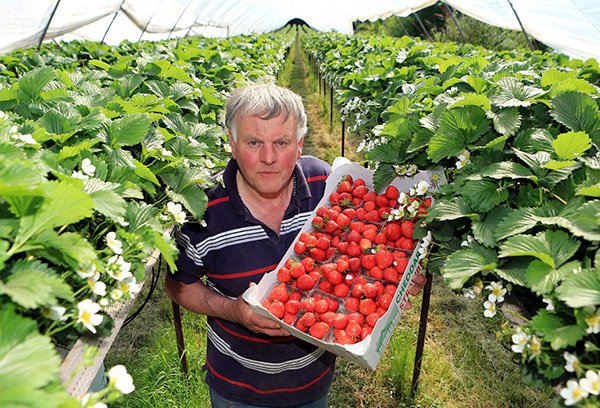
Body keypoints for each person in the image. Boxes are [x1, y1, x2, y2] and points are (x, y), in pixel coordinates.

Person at [165, 82, 425, 408]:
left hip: (312, 379)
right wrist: (233, 311)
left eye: (282, 142)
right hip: (237, 387)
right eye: (254, 142)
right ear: (232, 143)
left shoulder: (324, 183)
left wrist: (394, 277)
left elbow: (358, 247)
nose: (269, 158)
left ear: (300, 144)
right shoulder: (202, 209)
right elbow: (178, 285)